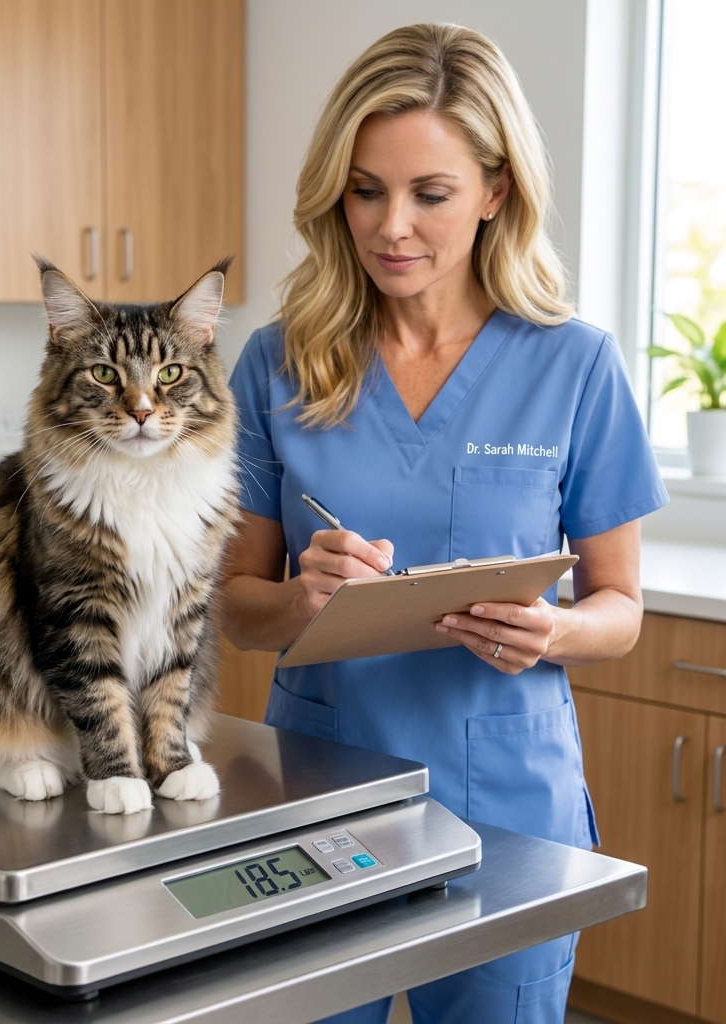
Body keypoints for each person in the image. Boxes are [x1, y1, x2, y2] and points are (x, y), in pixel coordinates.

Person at [221, 23, 668, 1024]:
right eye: (366, 189)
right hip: (320, 804)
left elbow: (620, 606)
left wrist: (554, 630)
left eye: (431, 194)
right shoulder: (277, 363)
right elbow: (237, 613)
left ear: (494, 192)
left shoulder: (573, 364)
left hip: (506, 805)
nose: (391, 228)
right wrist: (300, 594)